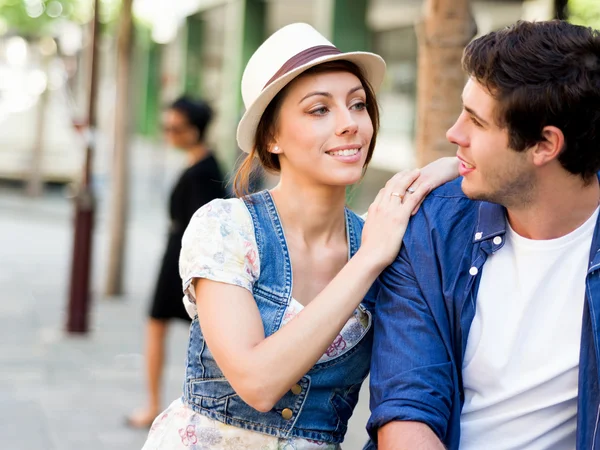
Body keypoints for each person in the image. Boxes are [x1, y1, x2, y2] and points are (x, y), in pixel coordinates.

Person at [141, 23, 458, 449]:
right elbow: (257, 382)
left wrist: (447, 167)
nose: (350, 124)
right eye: (319, 110)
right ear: (272, 137)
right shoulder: (226, 227)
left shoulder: (378, 236)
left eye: (358, 104)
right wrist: (367, 261)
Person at [367, 20, 600, 449]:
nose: (453, 134)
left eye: (476, 121)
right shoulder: (433, 226)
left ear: (545, 146)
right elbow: (407, 407)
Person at [127, 96, 227, 428]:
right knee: (170, 328)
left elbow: (204, 225)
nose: (168, 133)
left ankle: (165, 406)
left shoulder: (203, 172)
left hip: (185, 261)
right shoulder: (199, 163)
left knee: (195, 333)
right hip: (179, 255)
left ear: (195, 130)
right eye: (165, 126)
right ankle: (157, 404)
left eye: (176, 128)